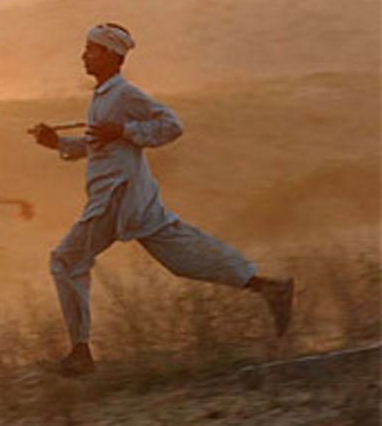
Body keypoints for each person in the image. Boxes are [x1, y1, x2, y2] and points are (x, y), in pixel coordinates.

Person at [30, 23, 293, 377]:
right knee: (184, 258)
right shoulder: (104, 95)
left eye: (91, 49)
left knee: (65, 261)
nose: (84, 55)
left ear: (112, 56)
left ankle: (80, 352)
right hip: (134, 197)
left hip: (115, 198)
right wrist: (57, 143)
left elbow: (171, 125)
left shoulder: (125, 95)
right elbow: (99, 145)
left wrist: (125, 130)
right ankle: (268, 288)